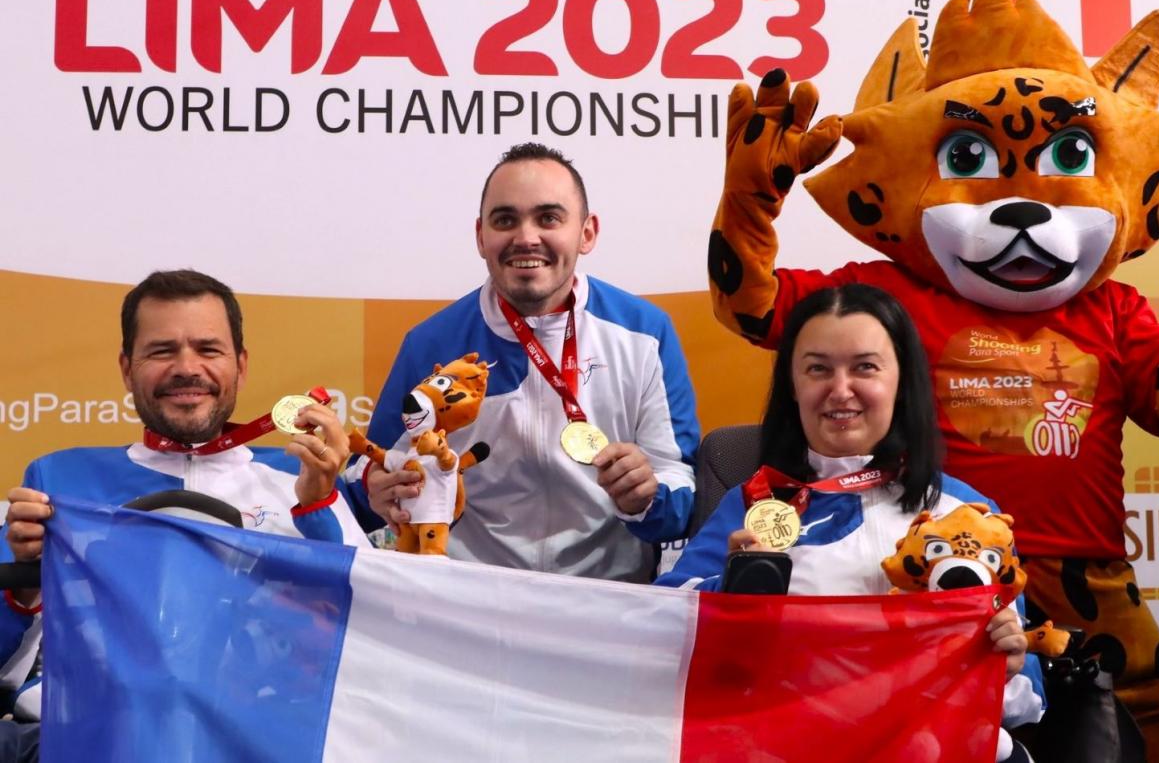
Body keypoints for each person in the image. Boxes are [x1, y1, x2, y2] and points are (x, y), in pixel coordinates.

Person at [657, 284, 1042, 762]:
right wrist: (728, 595)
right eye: (818, 368)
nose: (840, 390)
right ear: (793, 385)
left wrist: (1004, 665)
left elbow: (1026, 698)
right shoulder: (756, 503)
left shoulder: (969, 514)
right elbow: (666, 628)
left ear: (902, 379)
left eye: (865, 367)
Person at [0, 269, 369, 737]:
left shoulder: (299, 476)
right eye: (161, 350)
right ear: (126, 368)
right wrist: (25, 589)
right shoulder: (59, 481)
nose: (187, 368)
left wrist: (319, 507)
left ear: (241, 364)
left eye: (208, 349)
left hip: (259, 740)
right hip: (100, 739)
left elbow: (367, 645)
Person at [346, 142, 698, 582]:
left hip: (609, 605)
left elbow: (680, 490)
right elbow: (367, 480)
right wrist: (373, 491)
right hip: (469, 602)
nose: (526, 237)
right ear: (480, 236)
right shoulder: (431, 344)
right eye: (505, 220)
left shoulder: (645, 334)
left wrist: (646, 497)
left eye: (549, 218)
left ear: (586, 233)